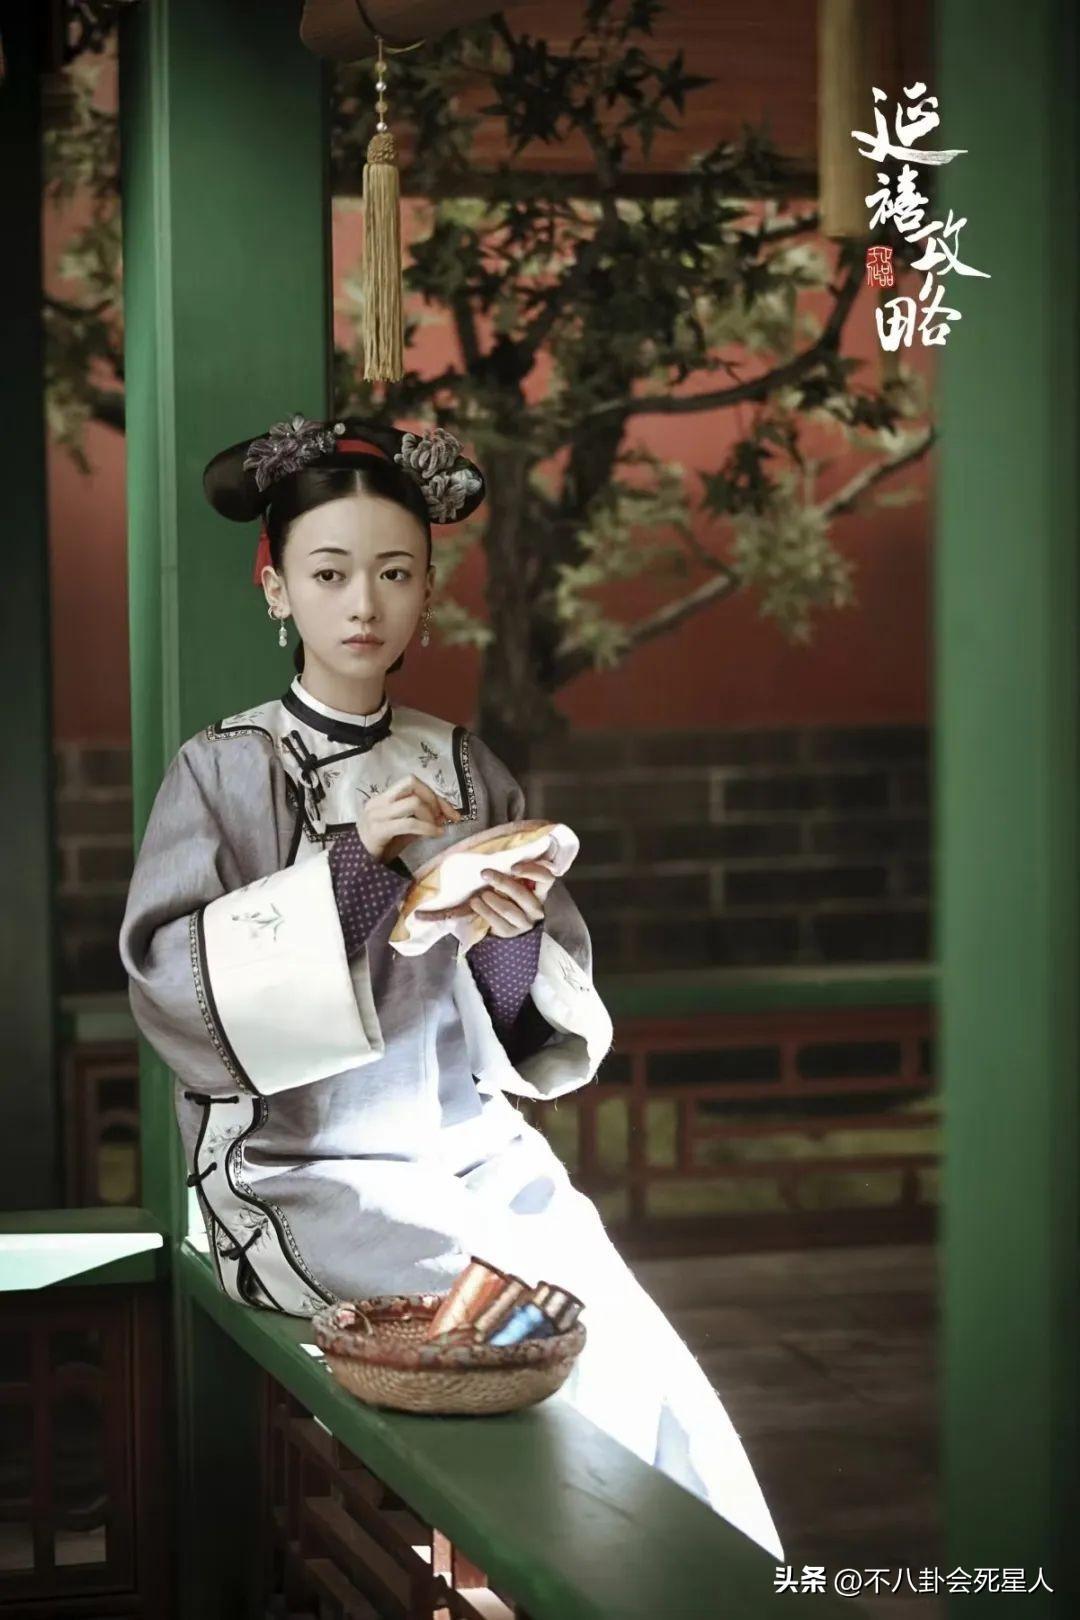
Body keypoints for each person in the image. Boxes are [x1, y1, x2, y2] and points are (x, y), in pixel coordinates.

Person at [118, 413, 784, 1560]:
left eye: (394, 573)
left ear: (429, 594)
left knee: (640, 1356)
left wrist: (506, 938)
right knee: (531, 1346)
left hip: (475, 1154)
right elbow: (173, 989)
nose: (363, 604)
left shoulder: (469, 769)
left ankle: (721, 1587)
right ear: (276, 587)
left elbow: (526, 1028)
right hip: (306, 1171)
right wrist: (357, 869)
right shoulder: (225, 768)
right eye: (330, 573)